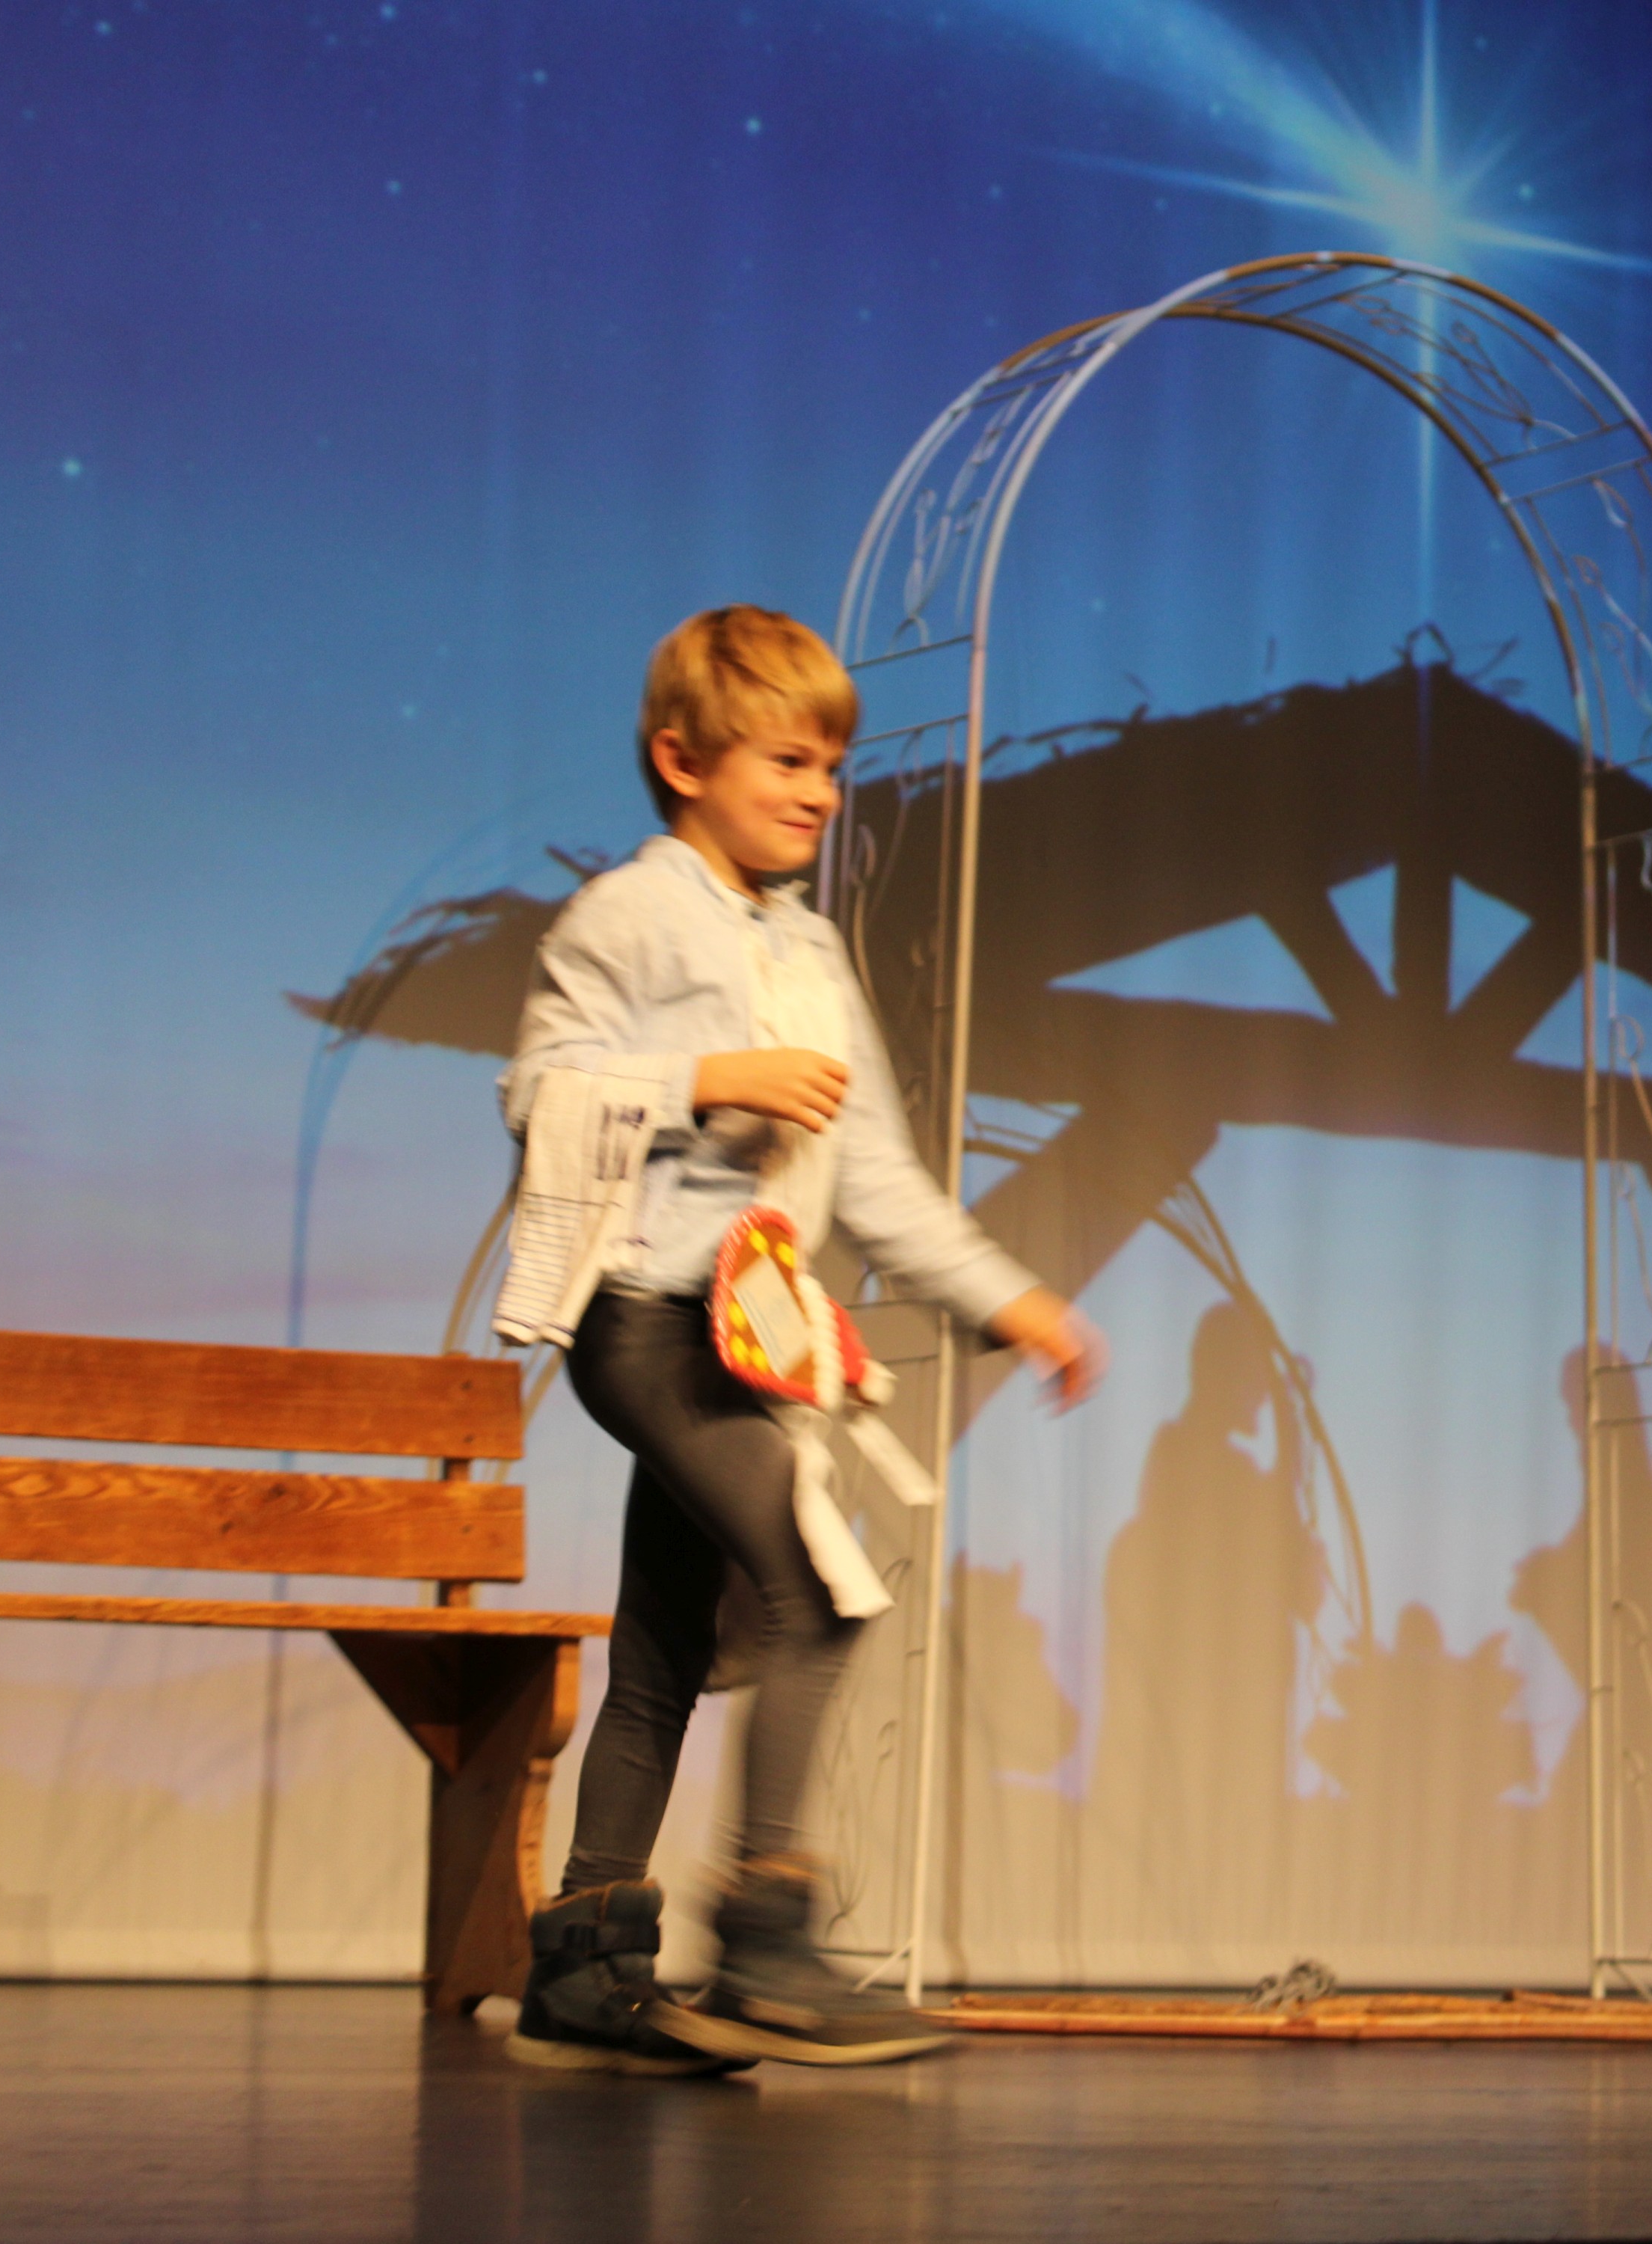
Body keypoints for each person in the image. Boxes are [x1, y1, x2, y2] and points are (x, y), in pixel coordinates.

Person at [496, 606, 1101, 2071]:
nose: (820, 792)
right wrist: (710, 1074)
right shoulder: (626, 917)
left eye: (831, 766)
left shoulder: (813, 949)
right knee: (818, 1597)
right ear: (682, 760)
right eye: (787, 760)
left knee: (661, 1650)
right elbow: (539, 1094)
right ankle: (765, 1941)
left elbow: (877, 1174)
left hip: (741, 1338)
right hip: (643, 1322)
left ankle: (585, 1968)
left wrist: (1008, 1297)